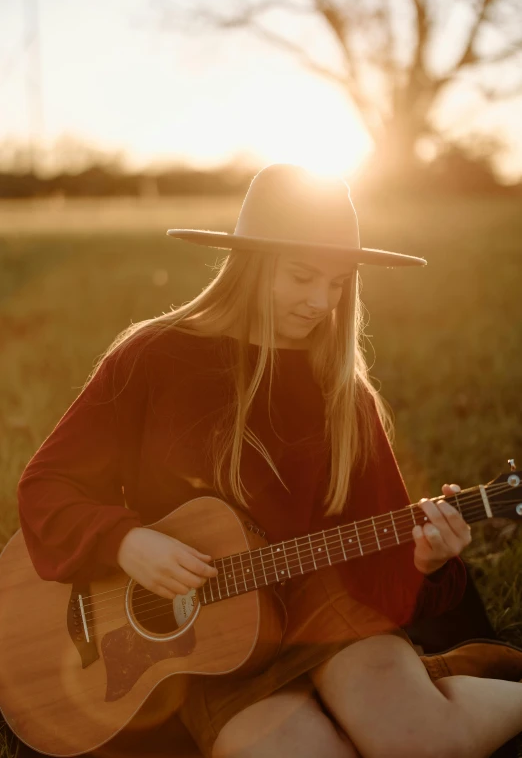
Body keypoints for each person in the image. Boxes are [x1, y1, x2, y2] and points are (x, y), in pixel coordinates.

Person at [17, 164, 522, 758]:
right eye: (303, 276)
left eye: (338, 282)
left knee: (419, 741)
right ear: (250, 263)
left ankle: (446, 690)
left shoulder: (343, 393)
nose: (320, 301)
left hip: (331, 615)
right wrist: (126, 542)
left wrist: (428, 561)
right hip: (213, 644)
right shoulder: (151, 358)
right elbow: (47, 486)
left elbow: (384, 558)